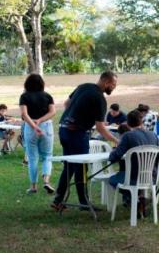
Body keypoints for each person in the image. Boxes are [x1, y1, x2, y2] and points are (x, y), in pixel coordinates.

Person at [51, 71, 119, 211]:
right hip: (77, 133)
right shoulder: (100, 99)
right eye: (113, 85)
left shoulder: (83, 86)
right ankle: (83, 202)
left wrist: (76, 116)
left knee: (69, 166)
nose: (114, 87)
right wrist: (115, 140)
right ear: (106, 82)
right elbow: (100, 128)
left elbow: (67, 103)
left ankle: (58, 200)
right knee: (81, 168)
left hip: (64, 129)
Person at [107, 110, 159, 216]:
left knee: (112, 179)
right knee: (125, 176)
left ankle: (136, 198)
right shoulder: (153, 135)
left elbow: (115, 156)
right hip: (151, 176)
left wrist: (112, 153)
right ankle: (140, 198)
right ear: (141, 121)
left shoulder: (128, 136)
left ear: (128, 123)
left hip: (133, 177)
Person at [19, 73, 56, 195]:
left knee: (32, 158)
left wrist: (34, 125)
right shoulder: (47, 96)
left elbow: (24, 114)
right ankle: (46, 181)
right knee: (47, 156)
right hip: (46, 126)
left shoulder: (24, 96)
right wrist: (40, 121)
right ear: (41, 84)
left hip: (30, 127)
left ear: (27, 84)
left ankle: (33, 186)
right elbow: (53, 112)